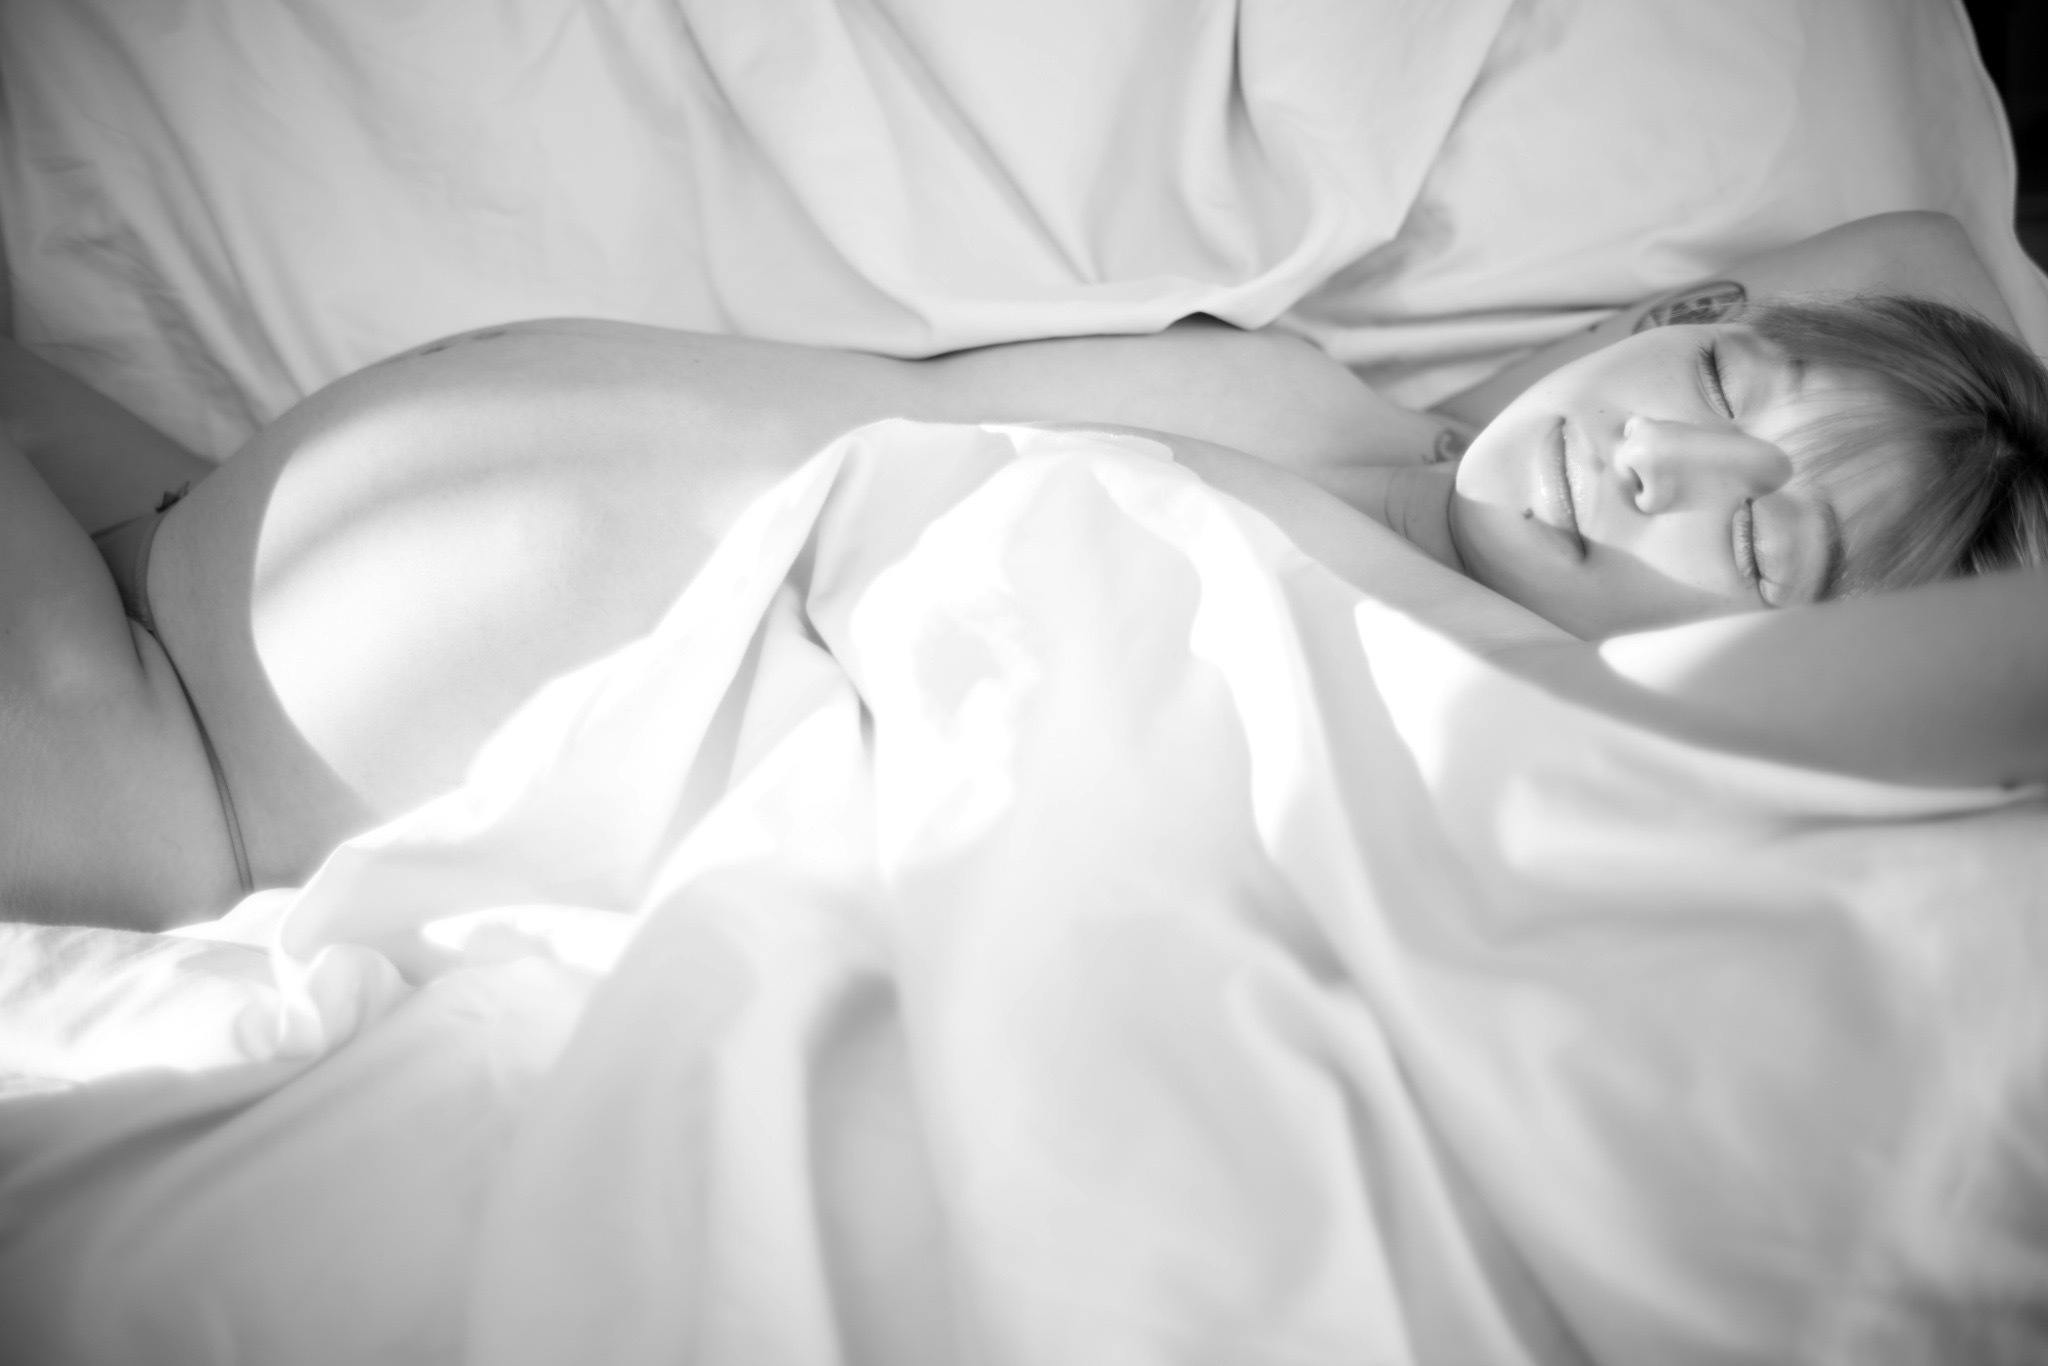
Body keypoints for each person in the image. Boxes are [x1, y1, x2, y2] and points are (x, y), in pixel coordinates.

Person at [1, 211, 2043, 932]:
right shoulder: (1353, 407)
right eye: (1718, 378)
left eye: (1754, 536)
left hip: (195, 788)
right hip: (188, 532)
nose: (1660, 452)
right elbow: (1928, 248)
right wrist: (1736, 380)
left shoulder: (1432, 677)